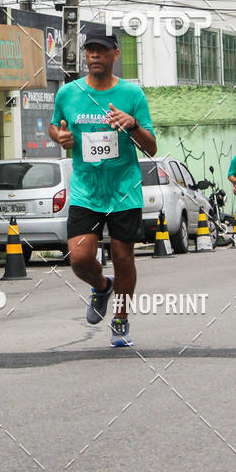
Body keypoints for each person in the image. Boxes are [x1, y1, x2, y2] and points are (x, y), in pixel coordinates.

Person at [49, 31, 157, 347]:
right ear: (85, 55)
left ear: (114, 55)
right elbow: (56, 126)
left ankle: (121, 319)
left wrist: (133, 125)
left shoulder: (132, 94)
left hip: (124, 189)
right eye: (90, 50)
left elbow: (151, 148)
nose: (95, 55)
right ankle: (101, 285)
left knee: (124, 257)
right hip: (85, 189)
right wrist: (60, 137)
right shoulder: (68, 93)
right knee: (79, 258)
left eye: (102, 50)